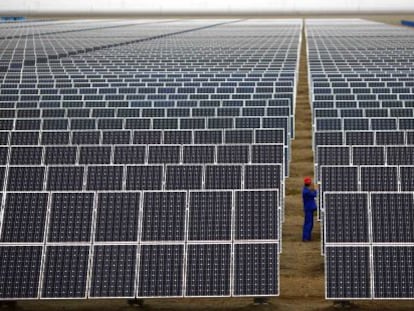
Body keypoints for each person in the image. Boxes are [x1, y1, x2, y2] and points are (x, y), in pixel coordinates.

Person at [302, 176, 317, 242]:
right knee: (308, 223)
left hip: (309, 209)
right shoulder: (306, 191)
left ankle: (308, 237)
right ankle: (305, 238)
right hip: (308, 209)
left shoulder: (306, 190)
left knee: (310, 224)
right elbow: (315, 194)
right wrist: (315, 188)